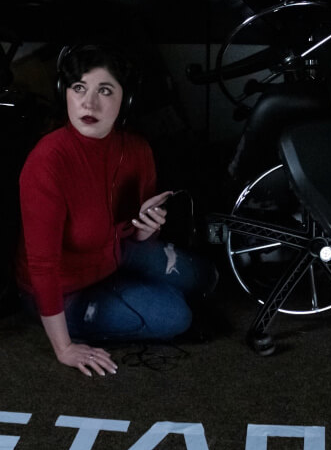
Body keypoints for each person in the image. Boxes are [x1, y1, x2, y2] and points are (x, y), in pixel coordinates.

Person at [15, 44, 217, 377]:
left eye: (104, 90)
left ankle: (132, 293)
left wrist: (147, 227)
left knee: (203, 276)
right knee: (177, 315)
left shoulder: (136, 150)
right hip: (59, 290)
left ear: (127, 99)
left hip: (110, 254)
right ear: (64, 92)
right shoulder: (47, 161)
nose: (88, 103)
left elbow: (131, 232)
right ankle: (114, 309)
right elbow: (42, 266)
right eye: (78, 88)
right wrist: (63, 348)